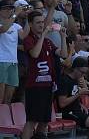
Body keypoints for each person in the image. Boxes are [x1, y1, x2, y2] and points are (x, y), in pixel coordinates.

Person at [22, 10, 68, 139]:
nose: (41, 25)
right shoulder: (28, 39)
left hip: (48, 85)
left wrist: (63, 37)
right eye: (38, 22)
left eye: (43, 22)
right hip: (34, 85)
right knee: (32, 120)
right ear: (30, 24)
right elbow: (35, 54)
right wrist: (43, 35)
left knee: (44, 120)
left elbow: (63, 54)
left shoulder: (48, 42)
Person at [0, 1, 27, 103]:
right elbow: (3, 29)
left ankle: (4, 117)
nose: (9, 10)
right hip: (1, 61)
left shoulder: (15, 26)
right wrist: (16, 14)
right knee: (0, 96)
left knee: (8, 97)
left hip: (13, 61)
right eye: (6, 8)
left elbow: (23, 36)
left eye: (10, 8)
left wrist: (28, 19)